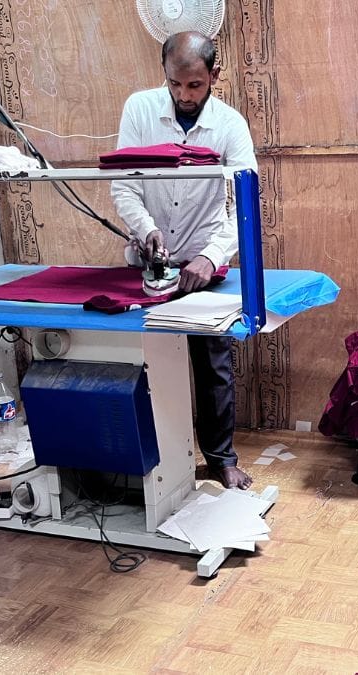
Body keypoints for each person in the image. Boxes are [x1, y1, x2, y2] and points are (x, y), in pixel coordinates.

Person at [110, 31, 258, 489]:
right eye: (175, 84)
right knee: (143, 357)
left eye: (194, 86)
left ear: (214, 75)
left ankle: (220, 458)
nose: (184, 95)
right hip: (150, 257)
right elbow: (124, 185)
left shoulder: (230, 125)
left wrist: (211, 257)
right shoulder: (139, 109)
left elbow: (245, 203)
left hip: (203, 257)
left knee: (212, 361)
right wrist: (146, 229)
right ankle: (145, 458)